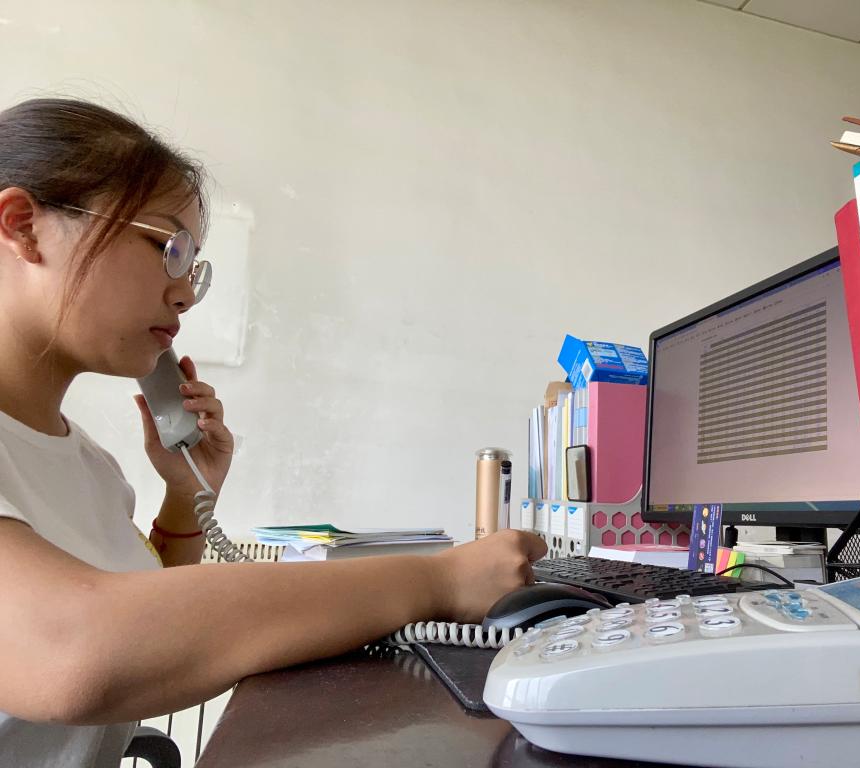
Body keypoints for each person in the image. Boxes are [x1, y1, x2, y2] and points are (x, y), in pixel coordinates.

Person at [0, 97, 547, 767]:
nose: (184, 293)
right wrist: (439, 583)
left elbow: (147, 629)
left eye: (193, 266)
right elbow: (70, 650)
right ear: (24, 227)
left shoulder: (90, 467)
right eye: (169, 248)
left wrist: (187, 496)